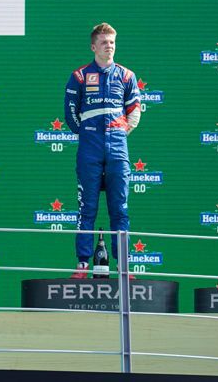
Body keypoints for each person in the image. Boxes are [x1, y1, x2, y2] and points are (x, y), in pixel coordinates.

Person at [64, 22, 141, 278]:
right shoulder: (79, 75)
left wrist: (119, 132)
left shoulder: (126, 75)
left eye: (112, 42)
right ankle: (82, 264)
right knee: (87, 209)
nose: (109, 46)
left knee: (120, 210)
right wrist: (87, 134)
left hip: (117, 149)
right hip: (90, 149)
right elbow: (70, 113)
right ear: (93, 47)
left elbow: (135, 110)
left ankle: (123, 266)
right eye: (104, 42)